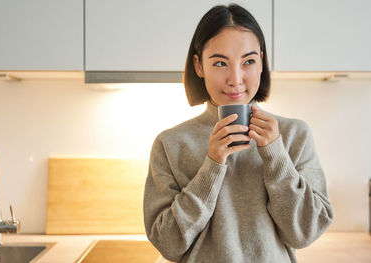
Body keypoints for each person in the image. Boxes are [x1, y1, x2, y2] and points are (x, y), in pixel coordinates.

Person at [143, 4, 334, 262]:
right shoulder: (170, 144)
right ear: (199, 66)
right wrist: (211, 166)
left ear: (261, 63)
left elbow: (306, 232)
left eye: (248, 61)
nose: (235, 78)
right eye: (220, 63)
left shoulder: (293, 135)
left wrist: (276, 157)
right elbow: (167, 243)